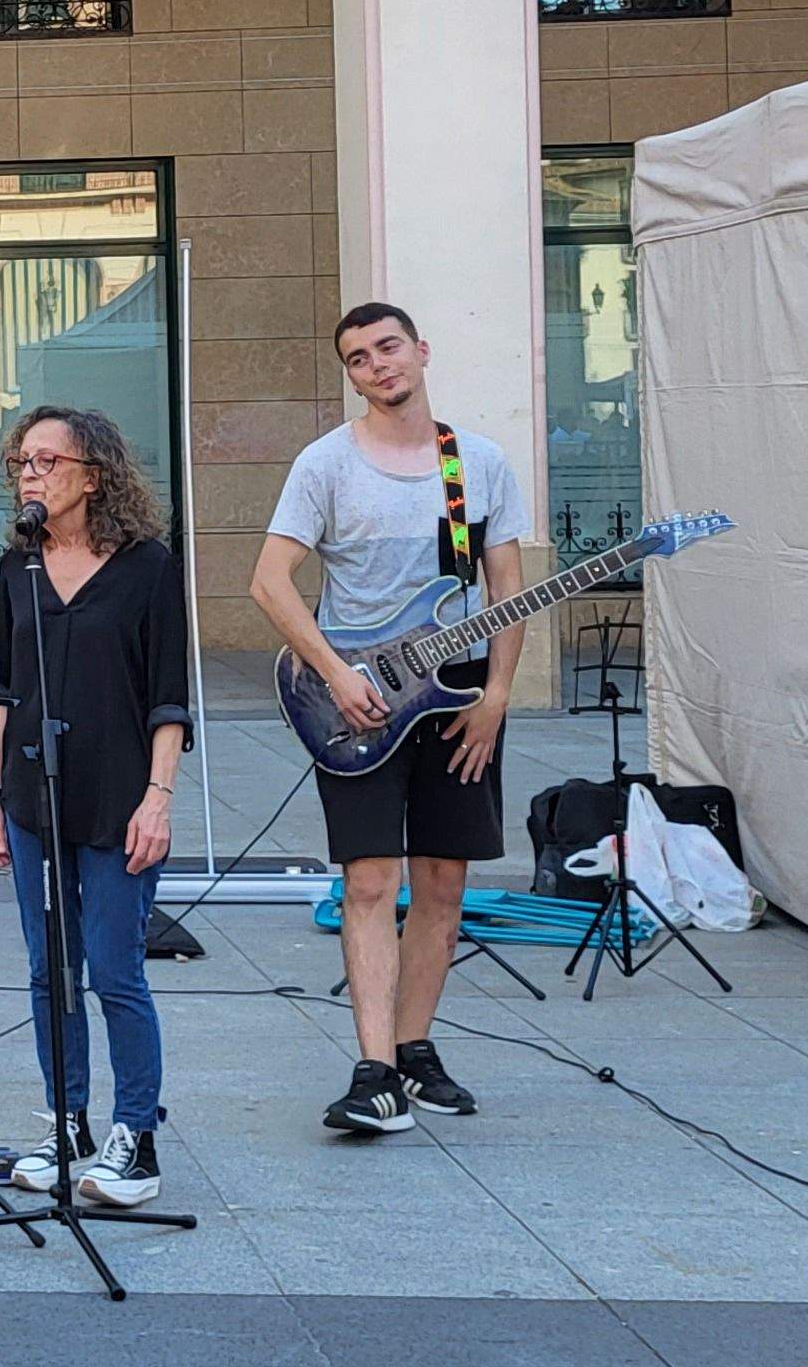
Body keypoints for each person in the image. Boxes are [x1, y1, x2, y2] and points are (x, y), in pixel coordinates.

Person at [251, 302, 529, 1137]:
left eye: (389, 347)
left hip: (459, 700)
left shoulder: (475, 463)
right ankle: (371, 1071)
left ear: (420, 351)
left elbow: (509, 589)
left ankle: (415, 1050)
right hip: (359, 701)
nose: (378, 365)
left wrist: (497, 697)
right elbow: (270, 581)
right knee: (371, 882)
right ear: (352, 376)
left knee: (444, 883)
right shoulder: (326, 464)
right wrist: (335, 675)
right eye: (359, 358)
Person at [0, 409, 192, 1208]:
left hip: (120, 794)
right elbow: (4, 688)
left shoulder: (148, 567)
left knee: (115, 968)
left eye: (46, 460)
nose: (30, 475)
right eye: (21, 463)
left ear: (93, 474)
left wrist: (159, 800)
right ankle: (68, 1119)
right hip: (33, 794)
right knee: (46, 969)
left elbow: (170, 698)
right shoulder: (18, 566)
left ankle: (136, 1136)